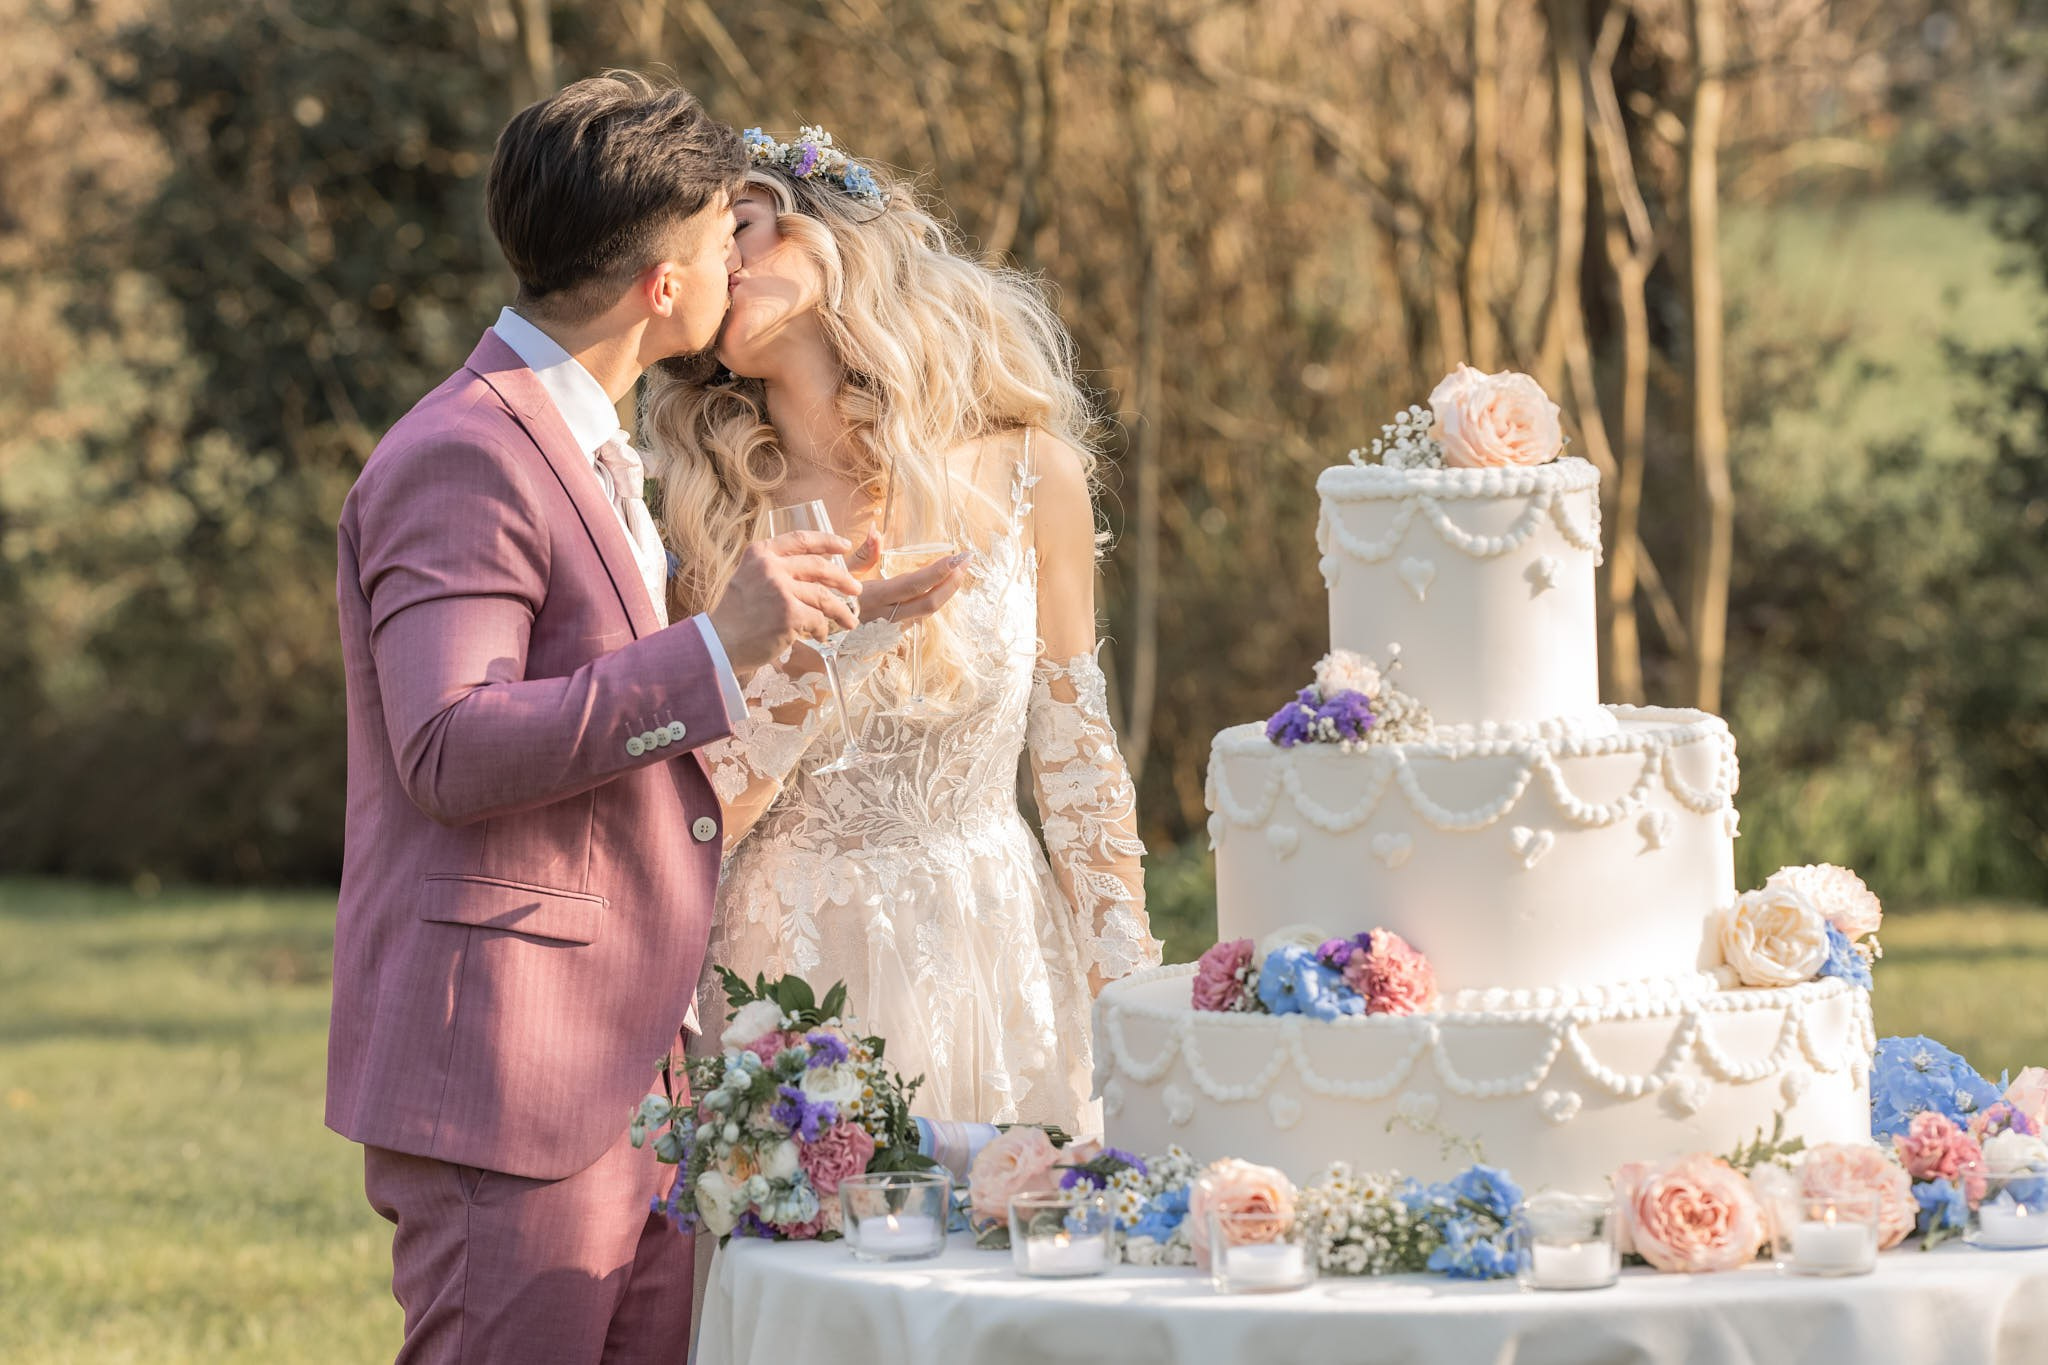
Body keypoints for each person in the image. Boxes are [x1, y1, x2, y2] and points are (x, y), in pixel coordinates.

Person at [326, 76, 962, 1364]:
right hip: (512, 1079)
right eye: (725, 237)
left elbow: (632, 723)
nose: (742, 263)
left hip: (638, 1079)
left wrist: (818, 623)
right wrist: (714, 643)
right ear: (661, 287)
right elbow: (447, 746)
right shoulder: (465, 454)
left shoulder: (598, 449)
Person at [644, 126, 1161, 1135]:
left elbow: (1078, 770)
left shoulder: (1029, 469)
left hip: (995, 951)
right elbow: (703, 809)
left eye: (738, 227)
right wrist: (828, 649)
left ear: (830, 235)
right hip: (788, 973)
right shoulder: (702, 508)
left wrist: (1133, 1001)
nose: (717, 261)